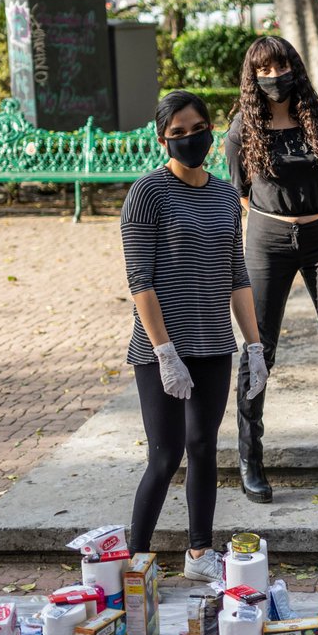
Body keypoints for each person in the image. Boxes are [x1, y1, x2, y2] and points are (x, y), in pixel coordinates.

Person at [121, 90, 267, 581]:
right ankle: (136, 559)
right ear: (162, 139)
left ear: (210, 129)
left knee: (204, 447)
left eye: (197, 129)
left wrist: (254, 345)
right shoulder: (147, 193)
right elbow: (140, 281)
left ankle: (200, 554)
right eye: (177, 133)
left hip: (213, 345)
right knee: (165, 456)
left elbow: (236, 274)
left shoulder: (225, 195)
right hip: (161, 348)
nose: (190, 139)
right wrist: (164, 352)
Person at [225, 36, 318, 505]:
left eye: (281, 66)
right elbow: (240, 191)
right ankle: (250, 454)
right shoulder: (242, 129)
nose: (274, 77)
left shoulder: (317, 118)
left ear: (295, 69)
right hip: (268, 241)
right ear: (252, 77)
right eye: (263, 70)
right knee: (258, 349)